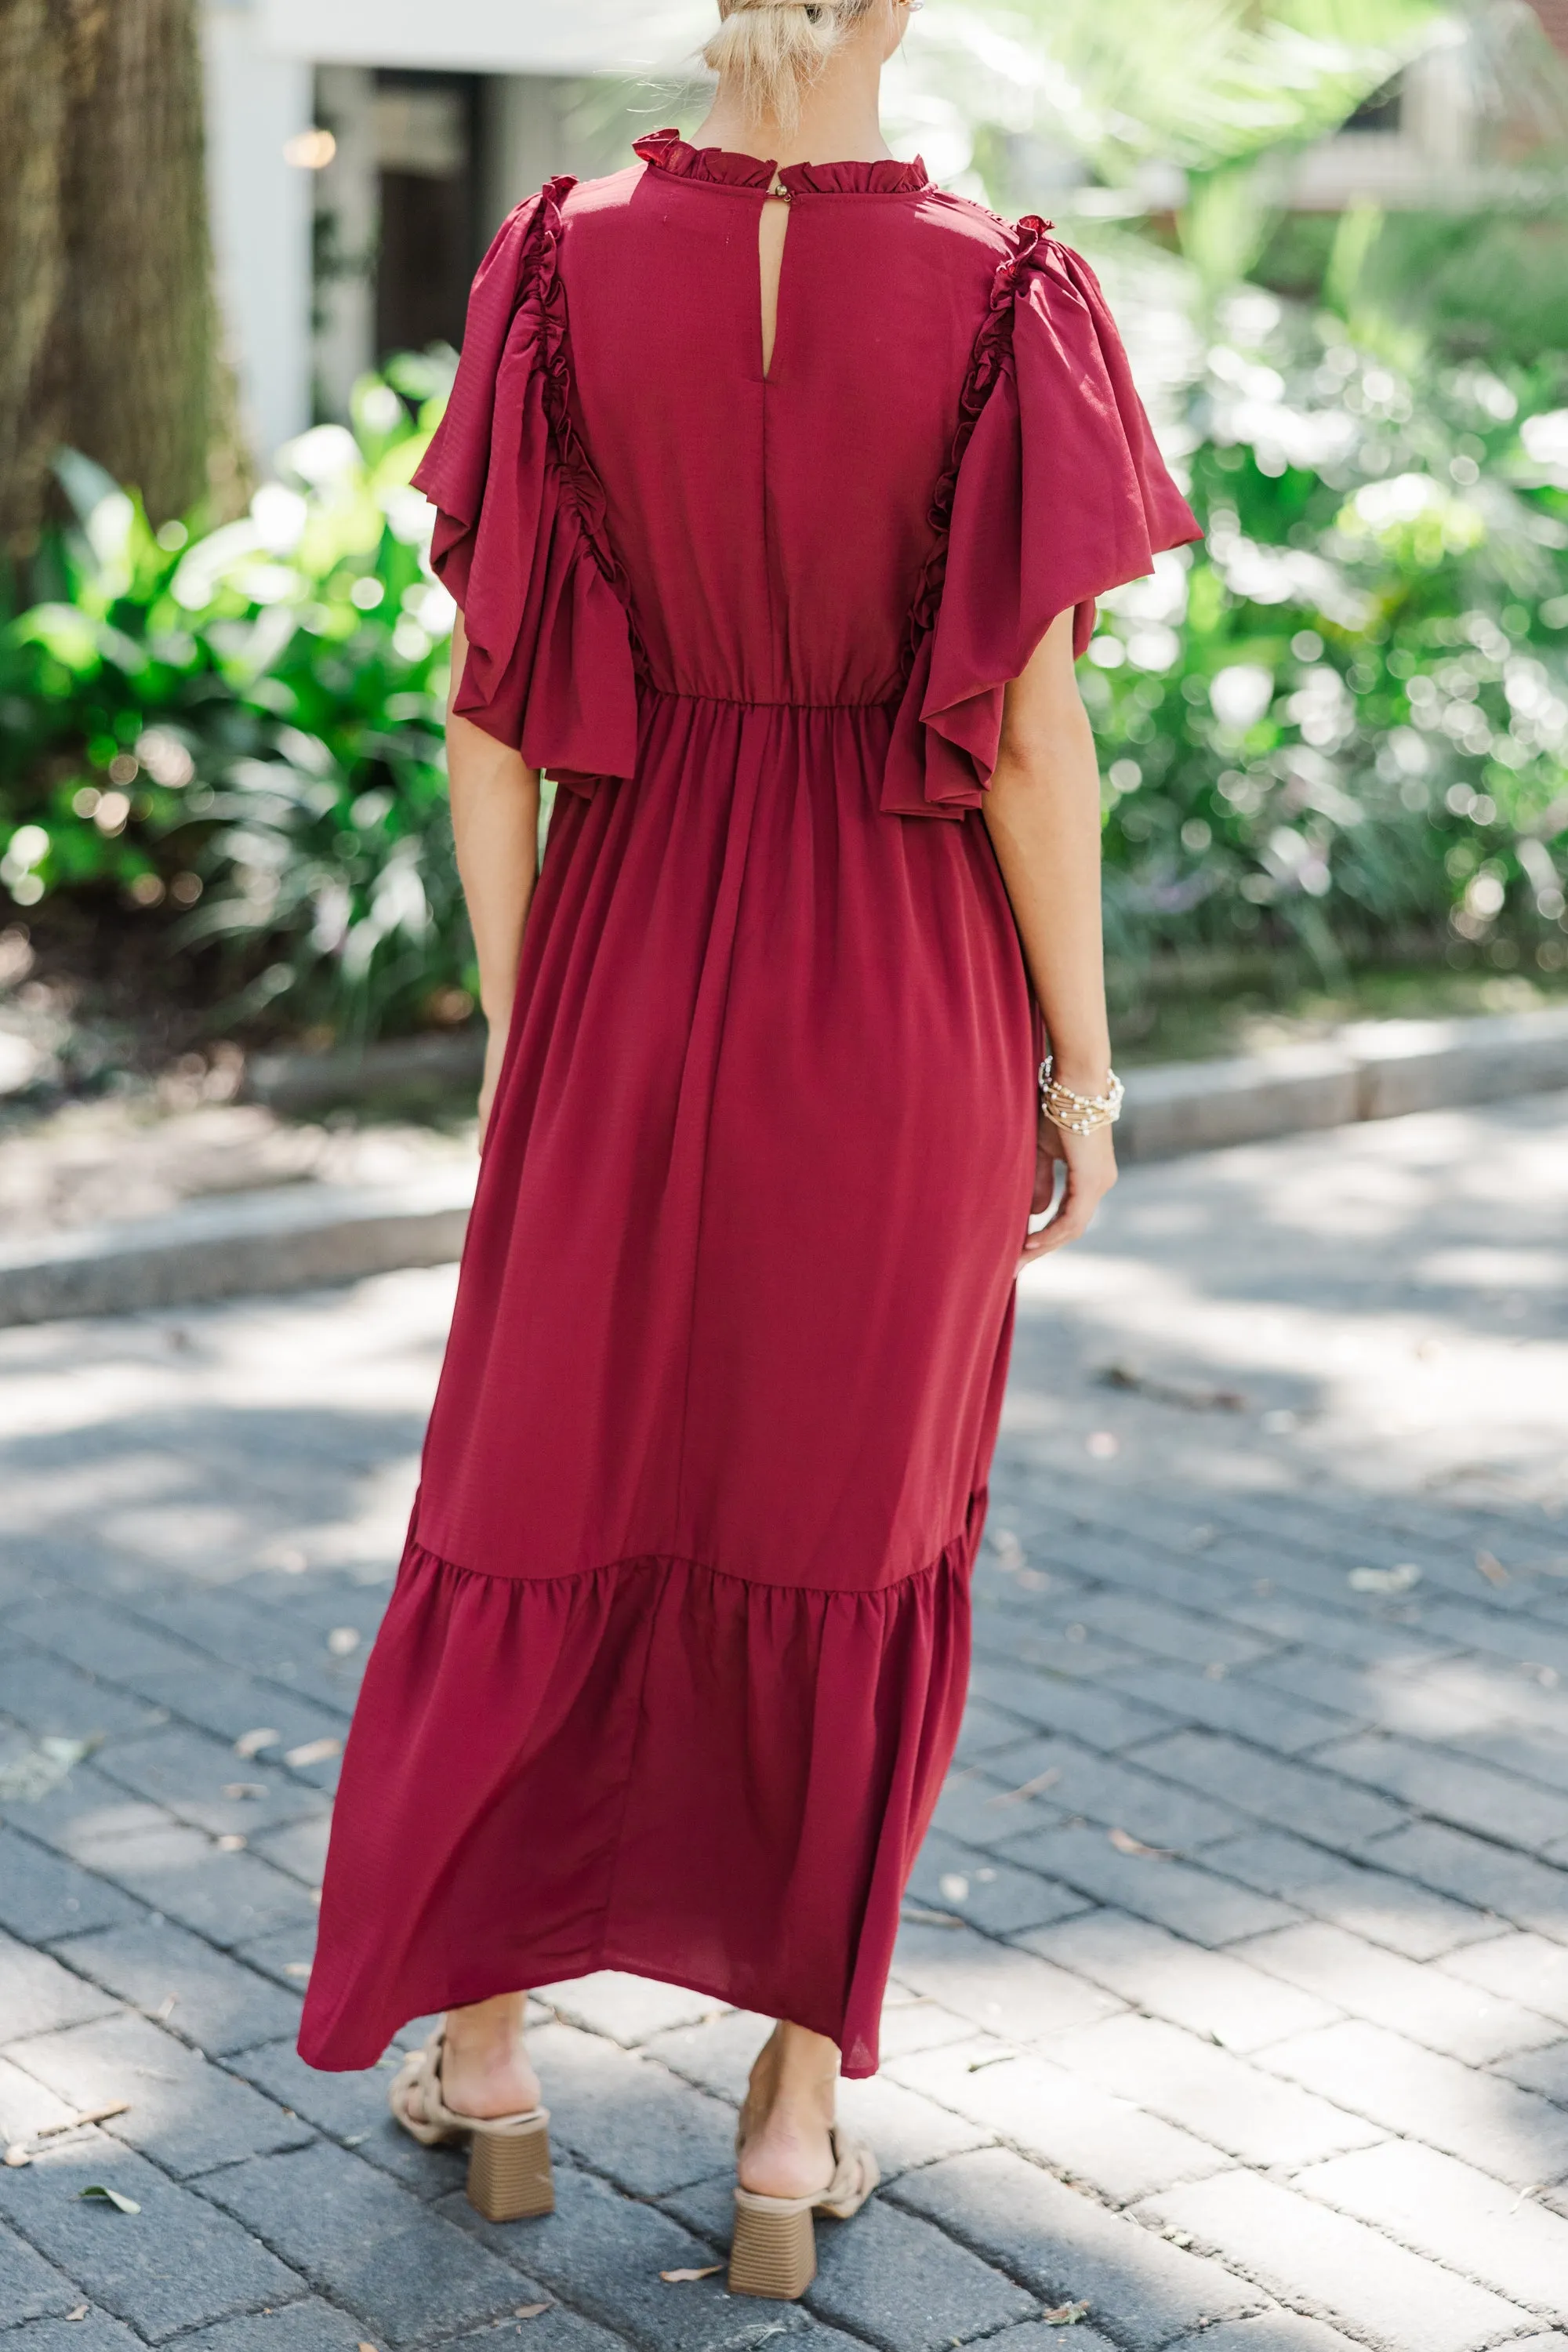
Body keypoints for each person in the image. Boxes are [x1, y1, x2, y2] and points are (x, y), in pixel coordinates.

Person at [299, 0, 1198, 2302]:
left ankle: (485, 2058)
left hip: (627, 950)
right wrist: (1081, 1077)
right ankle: (788, 2131)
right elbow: (1032, 743)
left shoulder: (559, 261)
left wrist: (540, 1028)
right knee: (853, 1529)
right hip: (899, 991)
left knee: (553, 1489)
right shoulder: (1007, 294)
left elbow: (488, 710)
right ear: (898, 7)